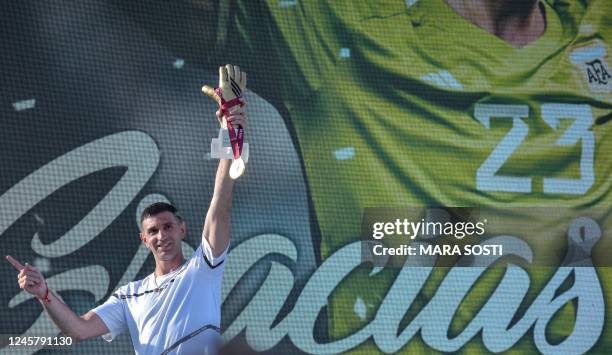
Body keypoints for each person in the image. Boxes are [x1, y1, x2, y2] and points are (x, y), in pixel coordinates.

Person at [5, 64, 248, 354]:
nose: (162, 235)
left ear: (182, 229)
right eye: (153, 231)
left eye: (168, 226)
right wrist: (43, 293)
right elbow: (78, 329)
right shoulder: (129, 296)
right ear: (144, 240)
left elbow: (219, 204)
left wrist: (228, 132)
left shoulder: (204, 267)